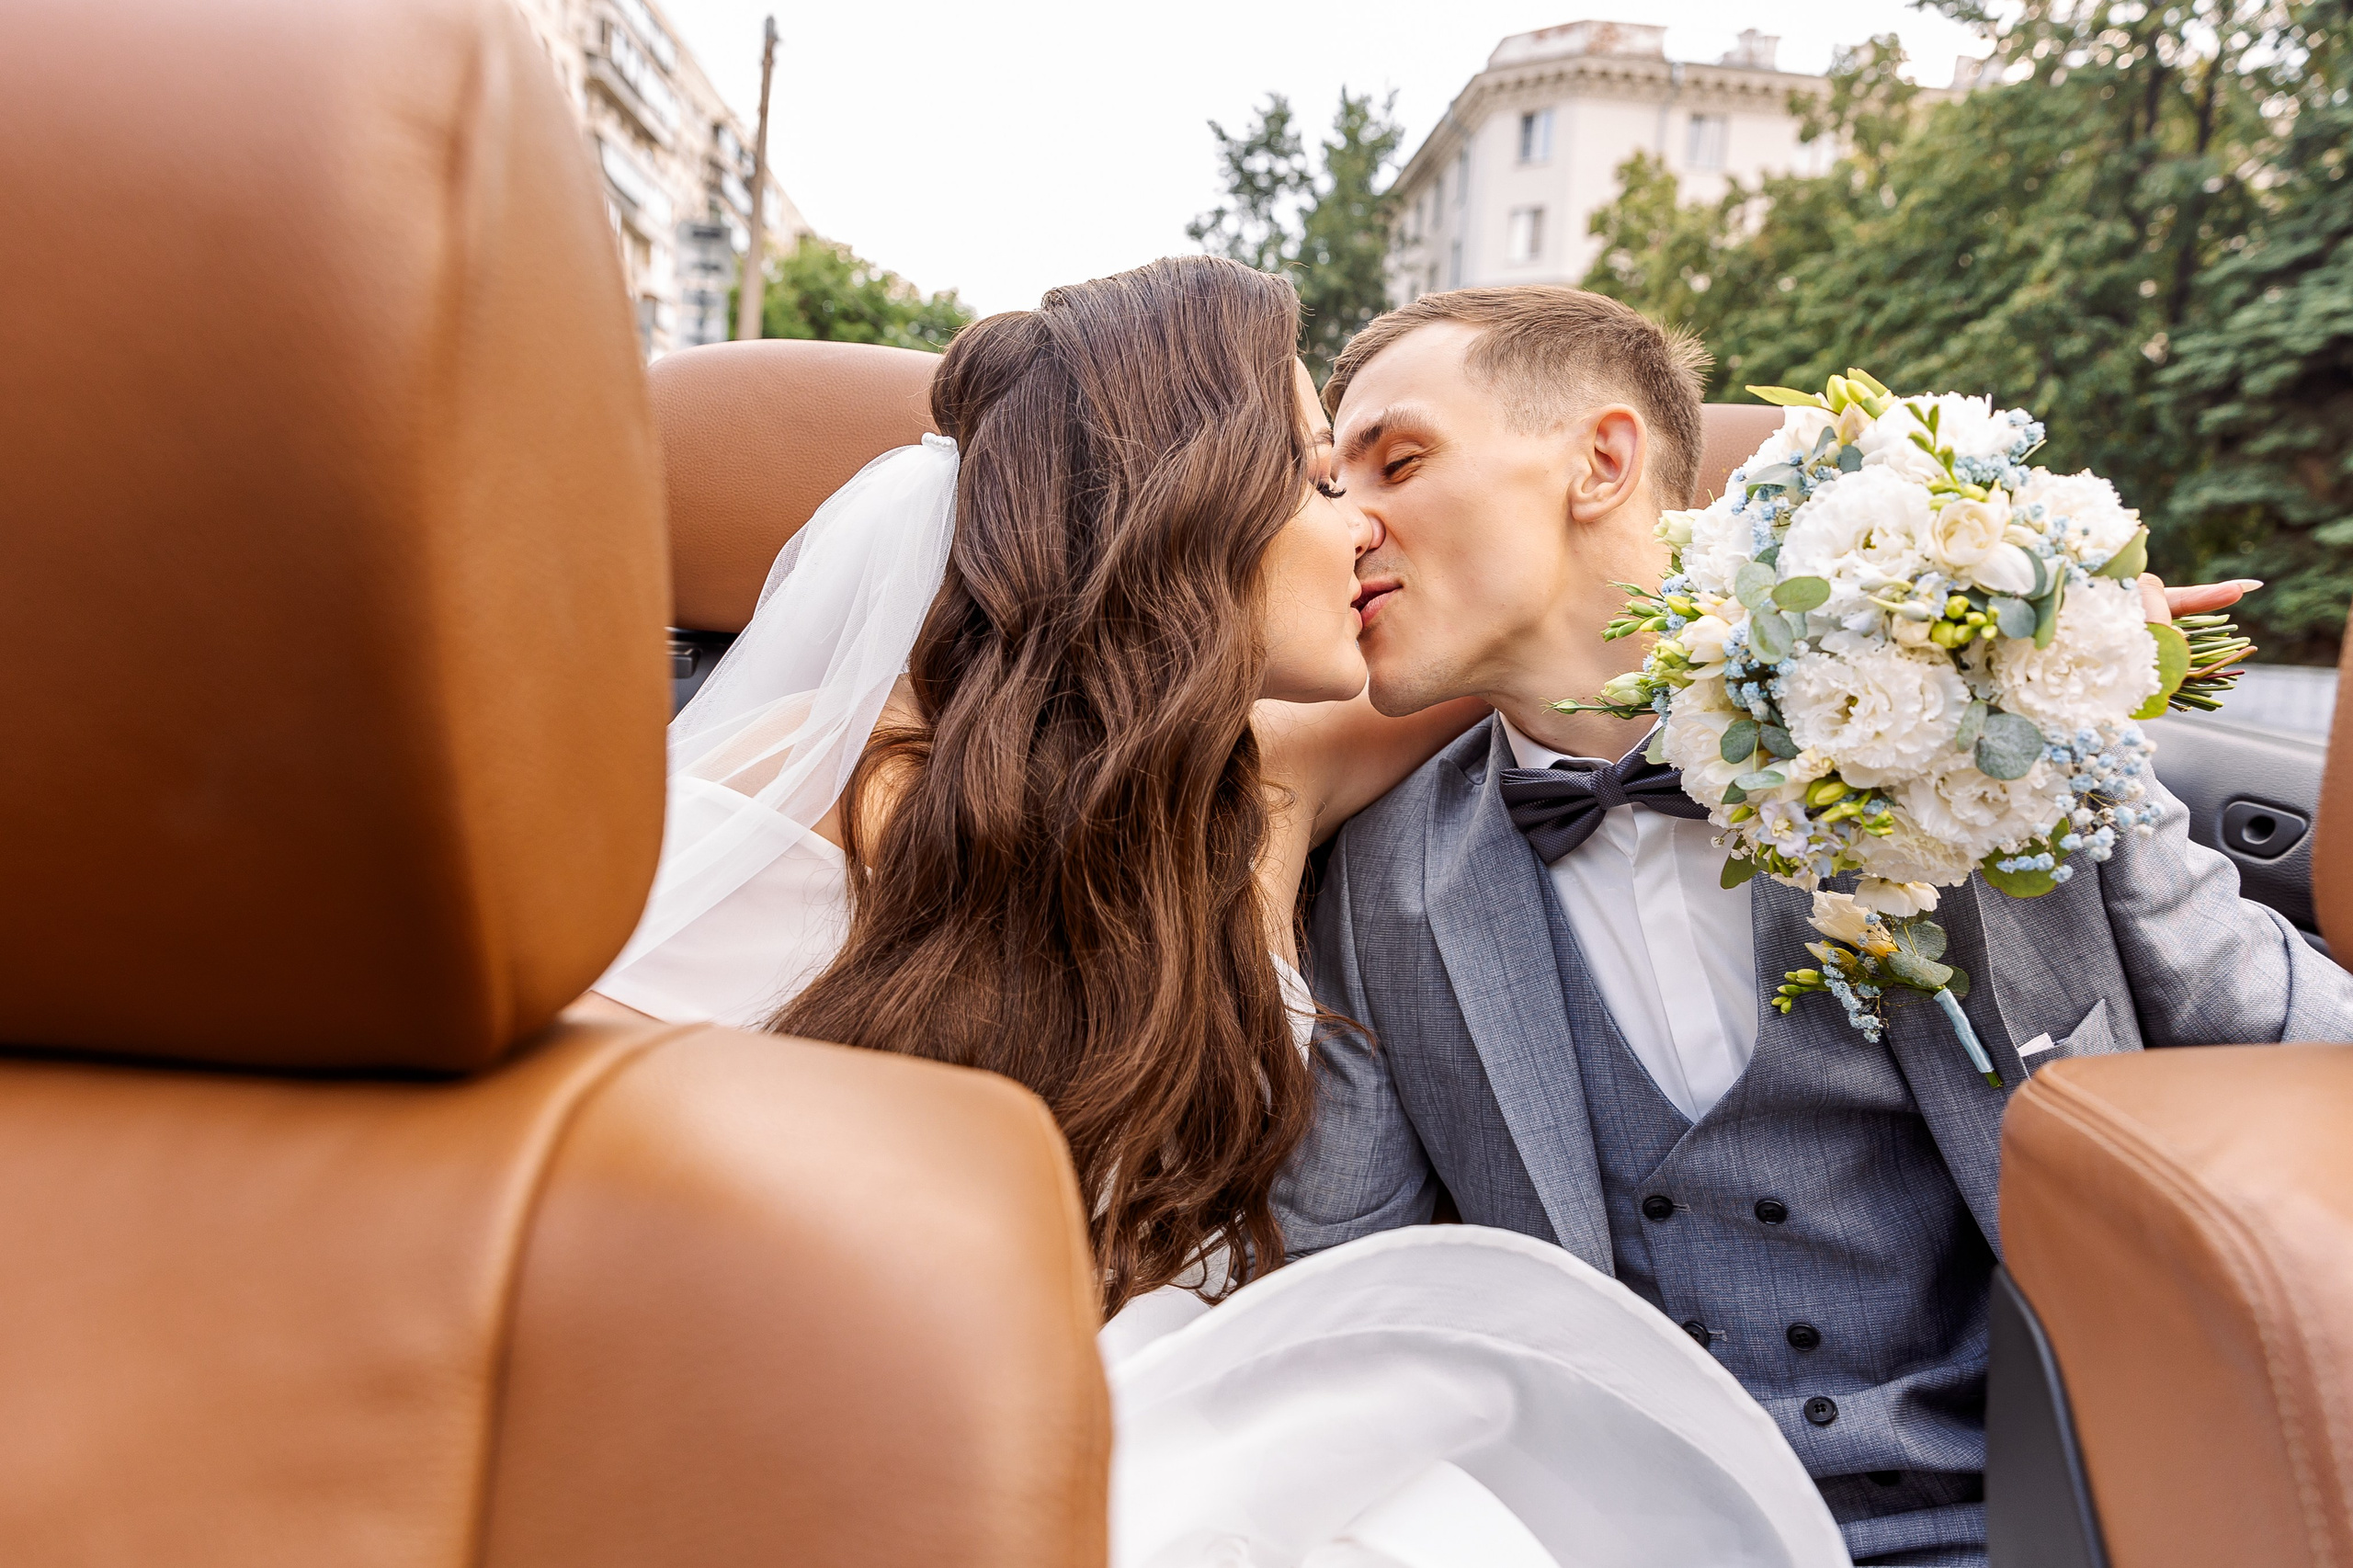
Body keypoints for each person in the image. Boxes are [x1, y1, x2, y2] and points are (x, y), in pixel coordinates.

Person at [1278, 284, 2353, 1566]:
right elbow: (1352, 1300)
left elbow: (2283, 1045)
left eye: (1397, 459)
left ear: (1601, 462)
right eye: (1332, 484)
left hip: (2064, 1509)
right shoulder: (1384, 879)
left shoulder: (1993, 728)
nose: (1351, 525)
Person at [585, 256, 1482, 1318]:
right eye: (1321, 479)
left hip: (1186, 1407)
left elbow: (1524, 636)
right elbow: (553, 1148)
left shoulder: (1270, 762)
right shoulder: (817, 786)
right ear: (1186, 495)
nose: (1362, 523)